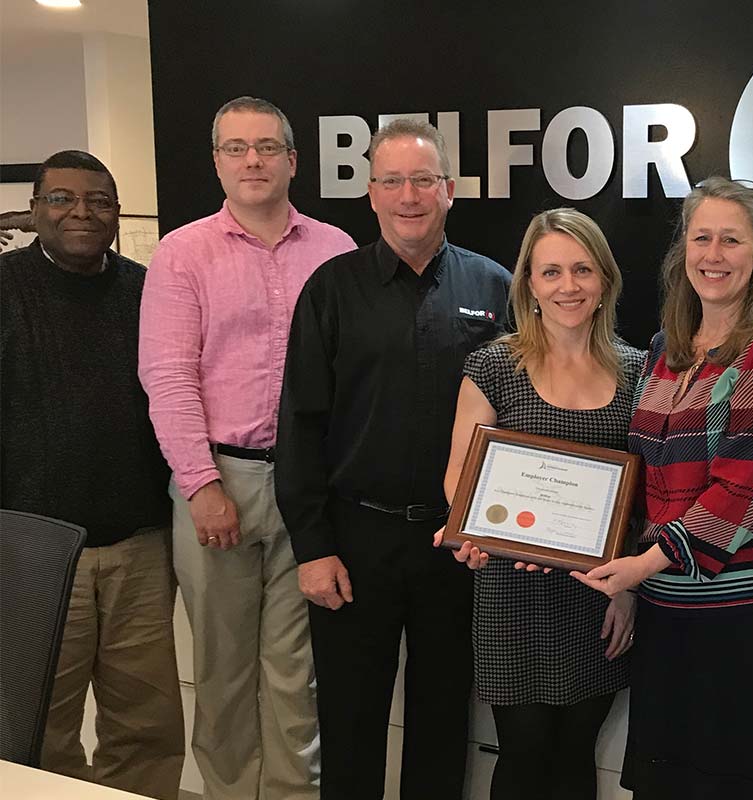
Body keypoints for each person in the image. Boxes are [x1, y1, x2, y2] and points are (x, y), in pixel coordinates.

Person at [274, 118, 512, 799]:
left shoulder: (494, 288)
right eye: (393, 181)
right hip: (354, 540)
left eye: (424, 180)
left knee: (442, 722)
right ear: (371, 192)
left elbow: (522, 415)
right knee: (349, 720)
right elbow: (300, 422)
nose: (410, 195)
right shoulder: (332, 288)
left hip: (454, 540)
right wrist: (312, 546)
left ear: (450, 189)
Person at [573, 177, 753, 799]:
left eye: (731, 240)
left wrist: (640, 568)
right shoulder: (667, 350)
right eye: (701, 237)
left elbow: (742, 486)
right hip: (666, 615)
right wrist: (631, 583)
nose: (713, 255)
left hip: (736, 619)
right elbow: (643, 480)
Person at [138, 96, 355, 800]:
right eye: (235, 148)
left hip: (308, 485)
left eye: (266, 147)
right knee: (224, 669)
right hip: (218, 479)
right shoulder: (182, 252)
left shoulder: (336, 250)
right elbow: (166, 374)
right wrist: (200, 484)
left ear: (294, 160)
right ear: (216, 162)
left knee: (297, 670)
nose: (252, 160)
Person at [432, 208, 643, 800]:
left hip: (595, 599)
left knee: (577, 753)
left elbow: (642, 497)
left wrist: (627, 589)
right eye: (550, 272)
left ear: (604, 281)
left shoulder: (637, 372)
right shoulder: (494, 365)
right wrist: (472, 533)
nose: (567, 286)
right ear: (528, 283)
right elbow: (459, 476)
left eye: (581, 270)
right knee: (522, 755)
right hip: (510, 595)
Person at [1, 150, 183, 798]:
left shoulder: (148, 291)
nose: (82, 212)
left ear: (116, 213)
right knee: (40, 727)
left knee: (147, 724)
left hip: (139, 544)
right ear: (33, 210)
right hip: (37, 555)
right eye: (62, 199)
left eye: (99, 201)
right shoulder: (5, 287)